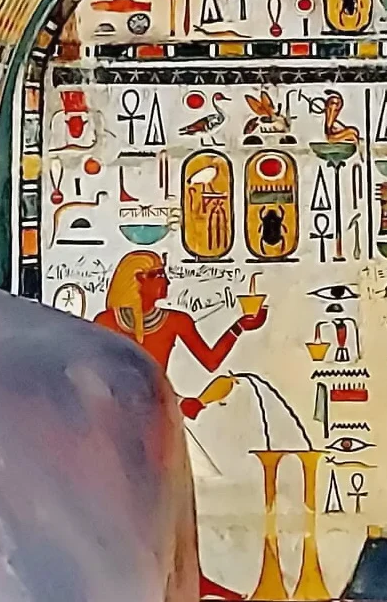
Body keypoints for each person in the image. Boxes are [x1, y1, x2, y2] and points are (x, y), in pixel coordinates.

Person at [94, 250, 267, 599]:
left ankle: (191, 577)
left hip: (158, 421)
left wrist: (240, 326)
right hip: (118, 423)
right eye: (158, 275)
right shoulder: (106, 322)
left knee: (172, 502)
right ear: (137, 282)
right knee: (125, 503)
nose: (166, 282)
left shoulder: (175, 321)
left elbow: (210, 360)